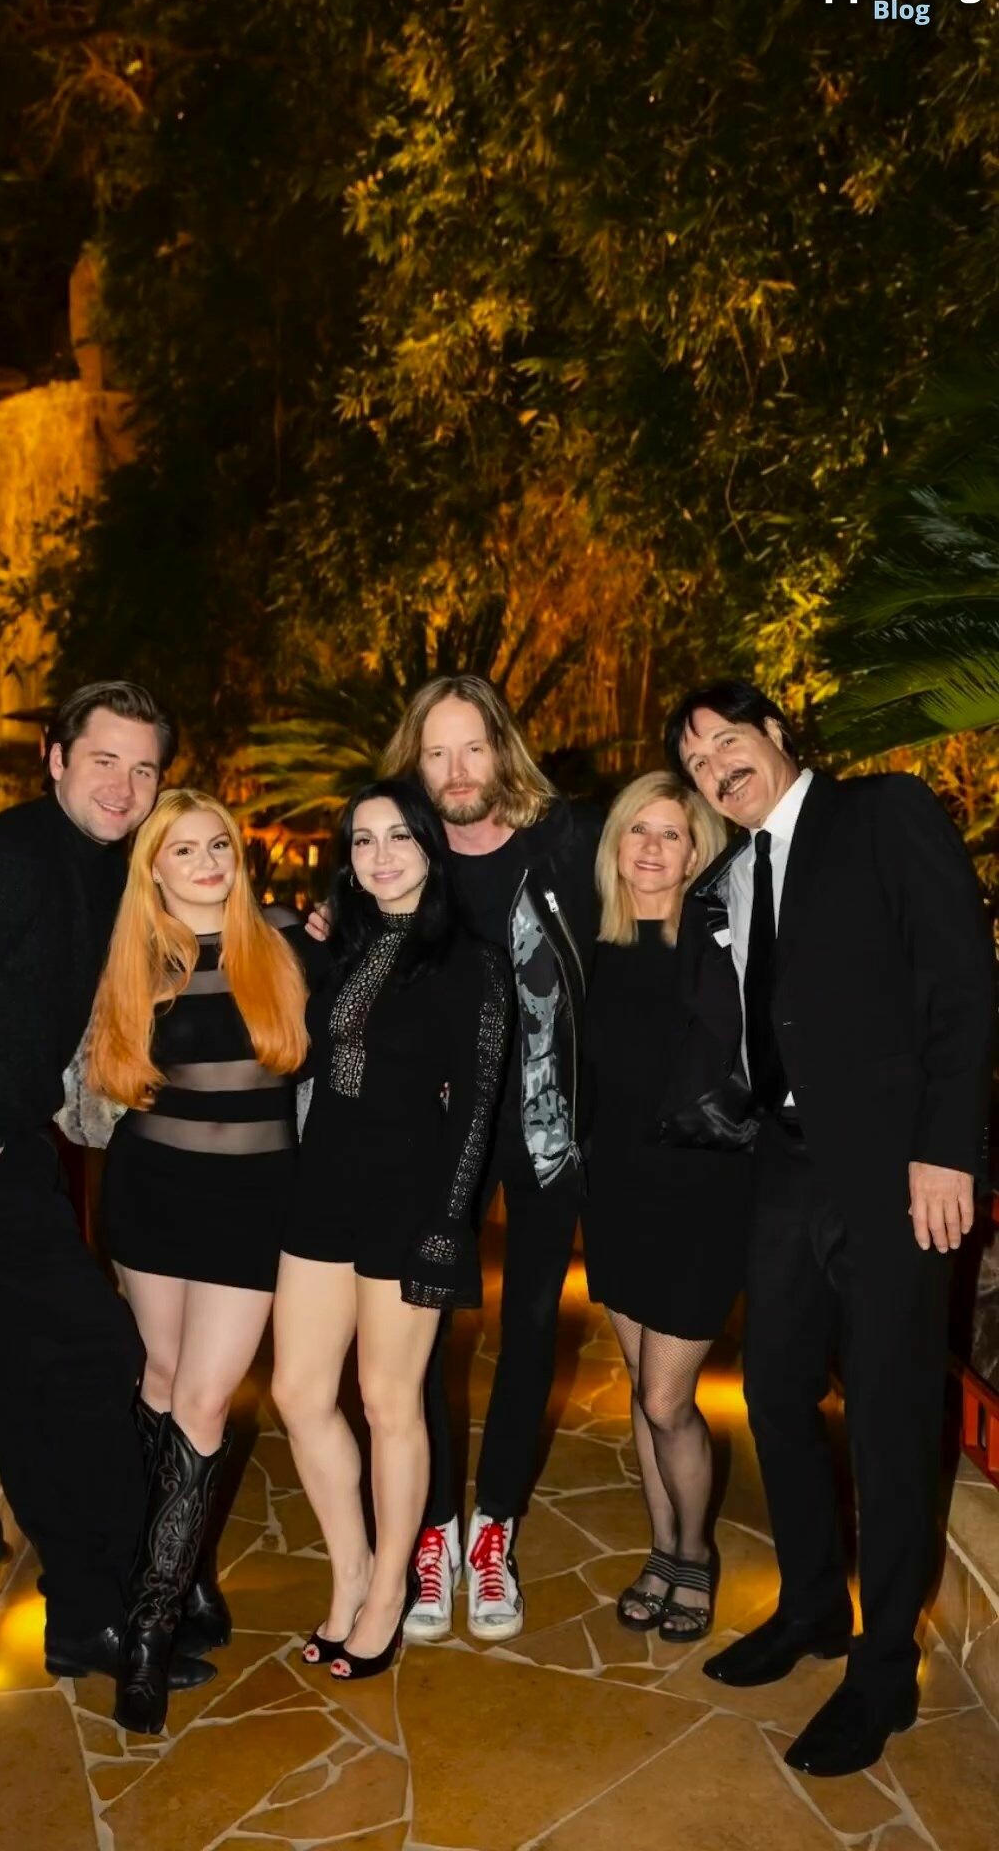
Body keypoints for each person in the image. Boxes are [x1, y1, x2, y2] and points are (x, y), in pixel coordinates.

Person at [665, 678, 994, 1778]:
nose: (715, 769)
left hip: (896, 1170)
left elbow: (962, 980)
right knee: (773, 1388)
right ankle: (811, 1604)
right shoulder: (733, 875)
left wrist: (947, 1148)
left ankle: (884, 1668)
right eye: (696, 764)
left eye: (725, 741)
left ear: (776, 732)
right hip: (787, 1164)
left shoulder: (882, 813)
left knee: (893, 1417)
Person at [0, 683, 211, 1693]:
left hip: (9, 1147)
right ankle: (116, 1598)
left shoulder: (103, 865)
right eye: (103, 761)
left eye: (144, 768)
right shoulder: (12, 859)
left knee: (34, 1375)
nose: (124, 786)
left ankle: (87, 1618)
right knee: (98, 1353)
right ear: (55, 758)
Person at [374, 675, 602, 1642]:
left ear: (503, 748)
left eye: (472, 748)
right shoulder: (402, 854)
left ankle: (494, 1526)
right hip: (437, 1132)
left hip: (546, 1125)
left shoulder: (569, 843)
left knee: (531, 1326)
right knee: (424, 1328)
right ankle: (432, 1528)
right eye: (437, 753)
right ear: (414, 764)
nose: (457, 771)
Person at [273, 778, 511, 1680]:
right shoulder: (343, 944)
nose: (379, 857)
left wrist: (448, 1225)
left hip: (411, 1198)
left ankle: (387, 1597)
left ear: (429, 848)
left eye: (398, 838)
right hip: (322, 1188)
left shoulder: (472, 962)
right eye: (363, 841)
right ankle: (352, 1572)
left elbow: (477, 1110)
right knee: (299, 1393)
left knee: (387, 1401)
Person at [88, 788, 309, 1733]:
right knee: (163, 1380)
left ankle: (148, 1629)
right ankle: (189, 1572)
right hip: (152, 1192)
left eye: (218, 844)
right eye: (183, 850)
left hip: (251, 1202)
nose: (209, 863)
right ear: (154, 870)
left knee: (207, 1400)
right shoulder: (133, 957)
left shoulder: (287, 940)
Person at [582, 771, 753, 1641]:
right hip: (615, 1193)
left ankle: (695, 1552)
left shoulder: (723, 941)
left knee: (664, 1398)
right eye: (636, 831)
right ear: (616, 845)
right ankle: (661, 1550)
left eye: (671, 835)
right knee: (640, 1394)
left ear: (696, 854)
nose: (651, 849)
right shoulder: (593, 946)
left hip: (700, 1197)